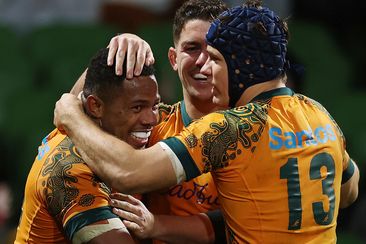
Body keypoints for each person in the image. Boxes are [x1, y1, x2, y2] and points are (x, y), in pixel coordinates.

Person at [54, 0, 360, 243]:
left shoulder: (229, 129)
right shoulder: (319, 114)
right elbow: (349, 191)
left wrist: (69, 111)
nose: (206, 67)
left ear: (241, 65)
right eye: (193, 49)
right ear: (173, 58)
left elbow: (125, 171)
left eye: (215, 58)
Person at [15, 47, 160, 243]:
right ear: (96, 107)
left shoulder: (123, 131)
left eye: (155, 106)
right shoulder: (67, 169)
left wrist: (121, 44)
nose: (152, 119)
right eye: (137, 107)